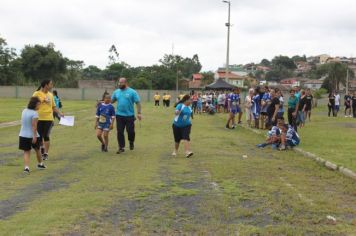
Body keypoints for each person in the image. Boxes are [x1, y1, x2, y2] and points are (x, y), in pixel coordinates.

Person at [33, 80, 63, 161]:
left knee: (46, 135)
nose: (52, 86)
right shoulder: (36, 93)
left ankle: (46, 153)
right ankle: (42, 148)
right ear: (46, 85)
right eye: (50, 84)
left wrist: (60, 113)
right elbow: (32, 104)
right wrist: (43, 100)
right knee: (39, 137)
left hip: (49, 118)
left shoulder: (50, 95)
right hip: (38, 118)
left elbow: (54, 107)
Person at [111, 78, 142, 154]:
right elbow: (112, 101)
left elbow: (138, 102)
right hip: (119, 115)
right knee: (120, 132)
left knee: (130, 131)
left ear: (125, 83)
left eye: (121, 83)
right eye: (119, 83)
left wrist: (139, 113)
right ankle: (121, 147)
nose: (119, 84)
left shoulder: (132, 92)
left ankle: (131, 141)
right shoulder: (116, 92)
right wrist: (102, 102)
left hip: (129, 116)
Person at [19, 97, 47, 173]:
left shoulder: (24, 110)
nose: (40, 107)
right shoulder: (35, 114)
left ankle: (26, 168)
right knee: (37, 150)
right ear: (36, 104)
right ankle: (40, 164)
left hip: (22, 135)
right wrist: (34, 136)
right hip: (32, 136)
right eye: (39, 105)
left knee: (26, 151)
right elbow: (34, 126)